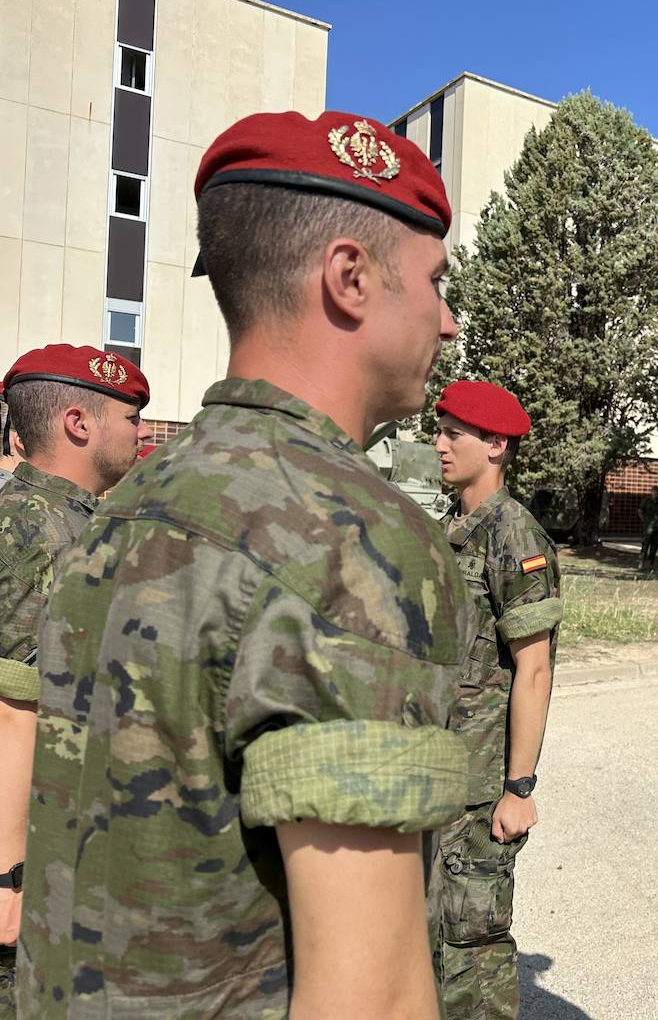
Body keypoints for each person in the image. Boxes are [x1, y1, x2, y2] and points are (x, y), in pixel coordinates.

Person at [18, 110, 474, 1018]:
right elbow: (371, 996)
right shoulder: (347, 537)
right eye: (436, 281)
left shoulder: (121, 508)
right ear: (349, 278)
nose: (450, 321)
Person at [0, 346, 151, 1010]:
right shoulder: (47, 531)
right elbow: (14, 708)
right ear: (79, 423)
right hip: (32, 857)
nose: (143, 431)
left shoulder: (52, 518)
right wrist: (11, 873)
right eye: (132, 414)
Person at [430, 380, 562, 1020]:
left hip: (481, 783)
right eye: (441, 430)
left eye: (454, 433)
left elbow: (533, 668)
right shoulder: (452, 526)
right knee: (429, 940)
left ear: (496, 444)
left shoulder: (515, 536)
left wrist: (520, 786)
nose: (440, 443)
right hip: (438, 773)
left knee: (472, 942)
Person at [640, 484, 658, 572]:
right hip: (648, 526)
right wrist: (644, 520)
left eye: (656, 492)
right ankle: (642, 562)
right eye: (653, 492)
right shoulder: (646, 501)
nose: (655, 493)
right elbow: (640, 511)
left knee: (655, 545)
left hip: (657, 526)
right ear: (651, 492)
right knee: (645, 544)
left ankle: (651, 563)